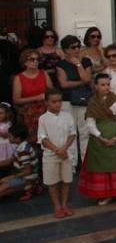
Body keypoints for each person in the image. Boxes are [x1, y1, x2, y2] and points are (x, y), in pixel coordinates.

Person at [78, 73, 116, 205]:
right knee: (102, 166)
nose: (106, 87)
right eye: (103, 85)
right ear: (96, 86)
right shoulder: (92, 102)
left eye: (108, 84)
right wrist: (100, 137)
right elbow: (90, 122)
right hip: (100, 138)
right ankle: (106, 194)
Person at [38, 89, 77, 218]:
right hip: (51, 155)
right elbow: (43, 138)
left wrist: (64, 148)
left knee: (66, 180)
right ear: (47, 103)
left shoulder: (67, 116)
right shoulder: (43, 119)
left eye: (59, 101)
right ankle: (57, 206)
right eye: (53, 102)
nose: (57, 104)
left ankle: (65, 204)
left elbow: (72, 134)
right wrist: (57, 150)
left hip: (66, 153)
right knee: (52, 182)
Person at [55, 35, 93, 159]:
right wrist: (82, 83)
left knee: (85, 132)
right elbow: (63, 84)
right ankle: (71, 163)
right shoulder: (61, 64)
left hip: (84, 99)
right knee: (70, 132)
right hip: (67, 100)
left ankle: (85, 162)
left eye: (78, 46)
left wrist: (78, 64)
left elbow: (87, 78)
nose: (77, 49)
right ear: (66, 50)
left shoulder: (86, 61)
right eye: (73, 47)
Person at [12, 49, 52, 144]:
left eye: (37, 59)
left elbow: (51, 91)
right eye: (32, 59)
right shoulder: (19, 78)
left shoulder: (43, 73)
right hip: (28, 113)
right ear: (25, 62)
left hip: (44, 110)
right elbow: (16, 100)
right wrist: (36, 97)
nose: (36, 62)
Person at [0, 124, 39, 200]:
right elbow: (9, 161)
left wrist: (10, 177)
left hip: (27, 177)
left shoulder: (23, 150)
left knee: (3, 187)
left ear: (17, 138)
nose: (8, 138)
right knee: (3, 184)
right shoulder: (20, 146)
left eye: (10, 136)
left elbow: (28, 170)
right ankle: (29, 186)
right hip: (22, 176)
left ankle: (30, 185)